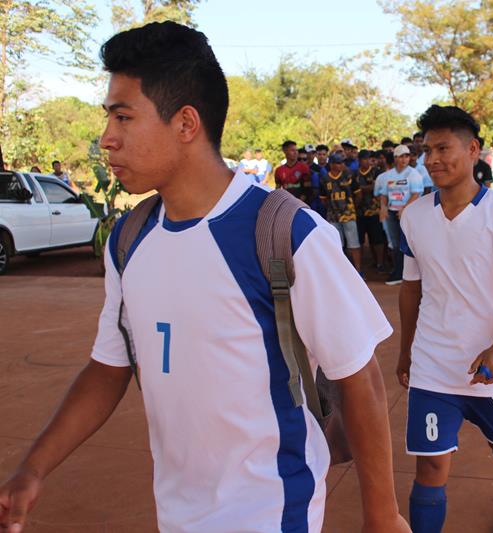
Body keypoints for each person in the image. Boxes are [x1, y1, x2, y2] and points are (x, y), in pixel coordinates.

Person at [0, 21, 410, 533]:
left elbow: (361, 379)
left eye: (123, 117)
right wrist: (32, 469)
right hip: (177, 513)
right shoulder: (129, 239)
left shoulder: (285, 232)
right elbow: (109, 368)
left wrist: (382, 516)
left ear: (187, 123)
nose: (106, 139)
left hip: (273, 513)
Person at [397, 105, 493, 533]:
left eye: (443, 148)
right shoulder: (414, 216)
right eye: (427, 149)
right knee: (431, 468)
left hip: (490, 367)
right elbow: (411, 289)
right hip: (433, 364)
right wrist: (406, 351)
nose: (432, 159)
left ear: (473, 150)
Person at [375, 144, 423, 286]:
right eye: (401, 156)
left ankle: (407, 273)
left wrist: (405, 208)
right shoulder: (388, 176)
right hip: (392, 212)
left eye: (407, 156)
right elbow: (384, 194)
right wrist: (383, 207)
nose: (404, 159)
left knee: (408, 242)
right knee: (395, 243)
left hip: (408, 213)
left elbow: (416, 193)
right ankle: (398, 271)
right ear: (395, 158)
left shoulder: (413, 174)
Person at [319, 152, 363, 274]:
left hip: (349, 215)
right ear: (332, 164)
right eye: (338, 163)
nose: (341, 165)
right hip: (333, 217)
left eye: (342, 162)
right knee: (337, 245)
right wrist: (333, 209)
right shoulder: (324, 179)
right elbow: (323, 200)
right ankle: (341, 271)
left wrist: (350, 208)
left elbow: (358, 195)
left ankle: (358, 270)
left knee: (353, 244)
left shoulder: (349, 175)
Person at [355, 149, 387, 273]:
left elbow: (375, 188)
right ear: (359, 160)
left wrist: (360, 189)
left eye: (369, 159)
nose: (367, 161)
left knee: (377, 240)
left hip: (374, 211)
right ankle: (362, 266)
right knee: (360, 240)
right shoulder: (354, 173)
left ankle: (380, 264)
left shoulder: (376, 172)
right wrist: (363, 189)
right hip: (359, 212)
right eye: (364, 159)